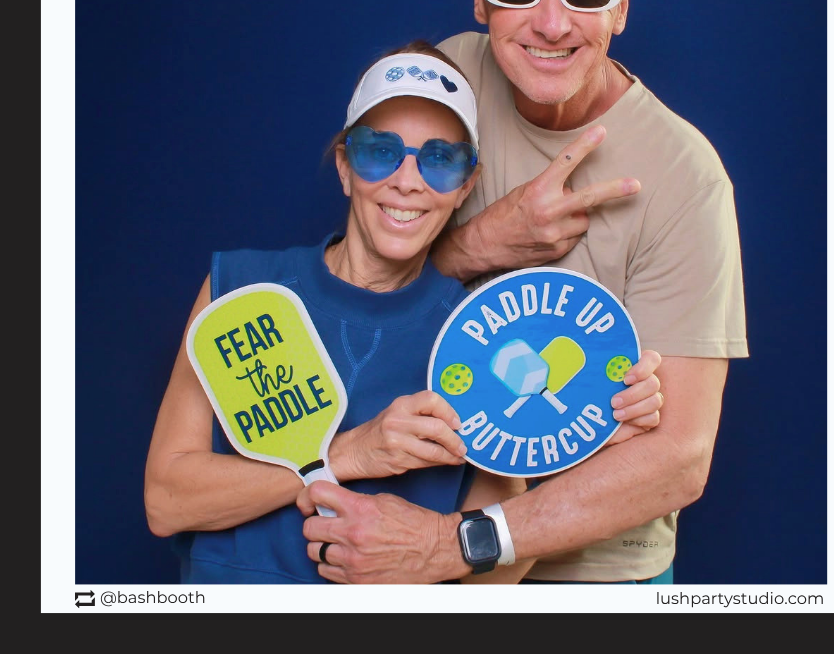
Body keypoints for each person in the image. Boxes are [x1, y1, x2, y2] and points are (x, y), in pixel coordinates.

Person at [297, 0, 749, 585]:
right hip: (410, 519)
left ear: (622, 3)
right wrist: (480, 242)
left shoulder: (687, 179)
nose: (550, 22)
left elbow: (680, 458)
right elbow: (350, 308)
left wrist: (451, 544)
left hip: (592, 571)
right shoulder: (444, 88)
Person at [144, 40, 664, 584]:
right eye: (379, 151)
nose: (408, 180)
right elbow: (166, 501)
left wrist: (576, 437)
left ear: (465, 185)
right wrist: (349, 454)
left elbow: (495, 581)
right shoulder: (244, 290)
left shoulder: (479, 336)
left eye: (440, 159)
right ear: (345, 167)